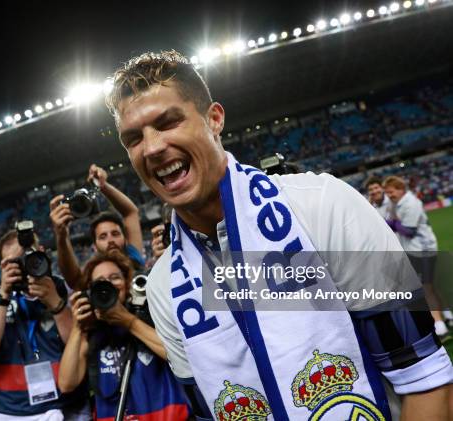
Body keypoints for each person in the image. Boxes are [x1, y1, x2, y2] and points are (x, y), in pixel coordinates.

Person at [104, 50, 453, 420]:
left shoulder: (323, 206)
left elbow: (425, 381)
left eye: (168, 122)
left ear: (214, 118)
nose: (153, 147)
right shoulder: (163, 289)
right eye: (133, 139)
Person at [0, 228, 89, 420]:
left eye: (26, 257)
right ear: (3, 266)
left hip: (69, 408)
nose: (24, 266)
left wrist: (56, 304)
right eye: (14, 262)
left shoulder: (64, 287)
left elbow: (81, 344)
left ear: (41, 251)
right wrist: (4, 294)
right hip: (13, 413)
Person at [57, 251, 190, 420]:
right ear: (90, 292)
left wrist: (129, 322)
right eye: (99, 282)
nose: (108, 285)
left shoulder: (150, 316)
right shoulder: (90, 333)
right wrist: (77, 327)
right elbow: (66, 384)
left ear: (127, 285)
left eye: (115, 278)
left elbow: (179, 355)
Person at [50, 164, 145, 290]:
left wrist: (103, 186)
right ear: (94, 246)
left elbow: (130, 213)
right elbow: (74, 281)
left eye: (115, 234)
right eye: (103, 236)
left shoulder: (134, 258)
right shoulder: (92, 275)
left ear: (125, 239)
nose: (110, 240)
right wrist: (61, 235)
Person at [382, 175, 452, 337]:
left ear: (400, 189)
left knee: (426, 288)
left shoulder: (411, 203)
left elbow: (409, 230)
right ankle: (446, 315)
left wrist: (391, 224)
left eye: (391, 192)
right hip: (415, 250)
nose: (389, 195)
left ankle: (439, 324)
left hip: (422, 250)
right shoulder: (398, 203)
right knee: (430, 285)